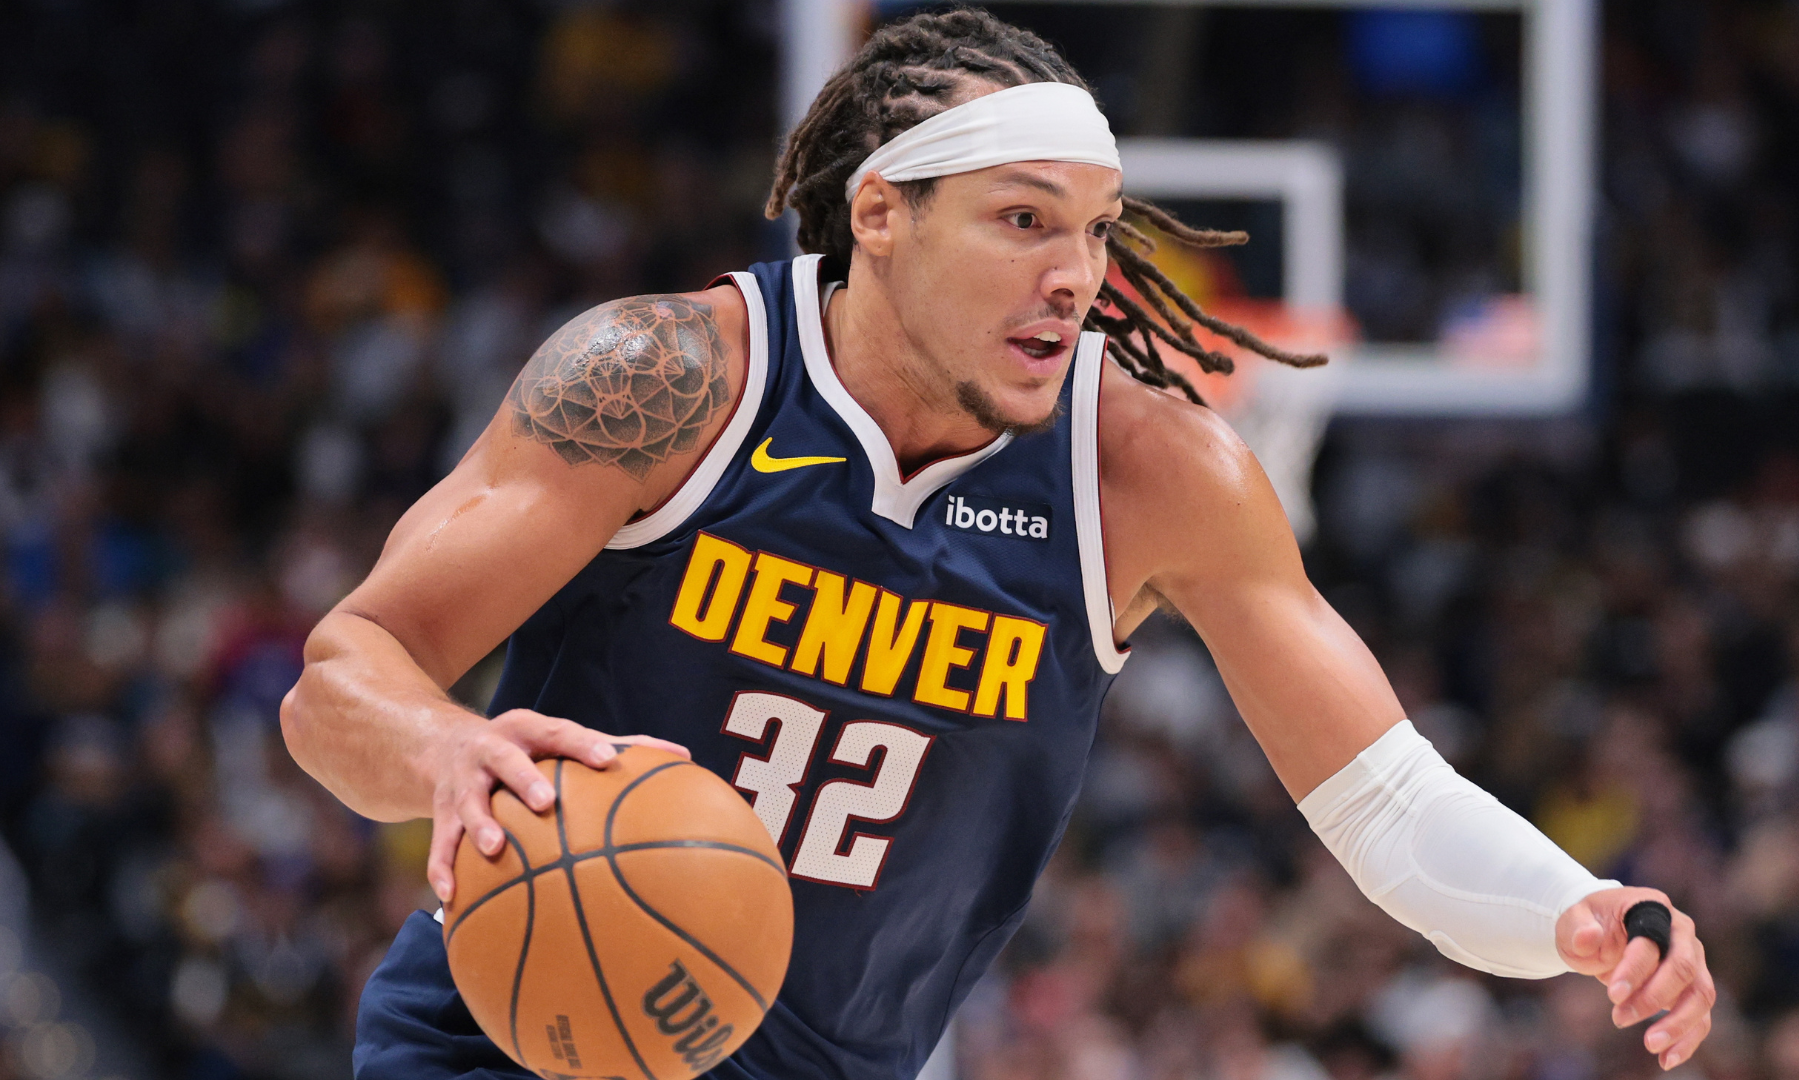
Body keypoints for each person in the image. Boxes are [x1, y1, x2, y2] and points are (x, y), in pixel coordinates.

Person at [280, 10, 1715, 1080]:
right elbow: (343, 674)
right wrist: (443, 752)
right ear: (880, 215)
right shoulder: (671, 383)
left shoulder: (1153, 472)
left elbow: (1388, 805)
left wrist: (1577, 911)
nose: (1074, 274)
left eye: (1094, 231)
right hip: (512, 1039)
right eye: (1023, 221)